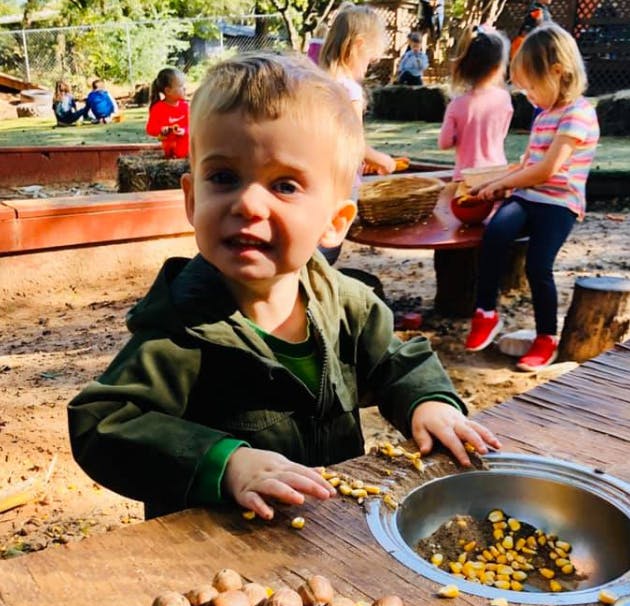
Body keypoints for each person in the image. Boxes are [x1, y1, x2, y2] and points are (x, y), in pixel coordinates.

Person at [67, 52, 500, 521]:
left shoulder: (347, 305)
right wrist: (225, 462)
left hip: (330, 535)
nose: (249, 202)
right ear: (192, 199)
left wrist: (427, 402)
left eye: (285, 186)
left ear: (334, 224)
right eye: (224, 177)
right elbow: (102, 422)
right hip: (216, 550)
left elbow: (395, 362)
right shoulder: (182, 328)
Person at [464, 23, 599, 372]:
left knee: (538, 265)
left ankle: (545, 337)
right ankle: (486, 312)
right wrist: (493, 182)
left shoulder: (578, 114)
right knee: (494, 234)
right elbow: (526, 165)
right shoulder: (544, 116)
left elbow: (547, 170)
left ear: (557, 71)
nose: (529, 97)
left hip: (559, 203)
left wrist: (498, 187)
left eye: (531, 88)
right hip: (528, 196)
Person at [319, 3, 396, 177]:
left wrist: (366, 160)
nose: (367, 68)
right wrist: (383, 160)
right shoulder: (349, 90)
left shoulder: (318, 82)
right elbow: (354, 144)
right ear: (358, 45)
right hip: (341, 182)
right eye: (369, 60)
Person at [438, 26, 513, 179]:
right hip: (497, 175)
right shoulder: (504, 98)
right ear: (498, 67)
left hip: (466, 177)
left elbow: (444, 143)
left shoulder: (457, 104)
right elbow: (502, 133)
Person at [145, 67, 190, 159]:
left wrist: (184, 130)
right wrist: (161, 129)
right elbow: (150, 129)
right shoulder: (158, 108)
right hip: (170, 151)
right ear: (168, 91)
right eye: (181, 86)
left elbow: (194, 126)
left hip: (188, 150)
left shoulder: (186, 107)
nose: (185, 88)